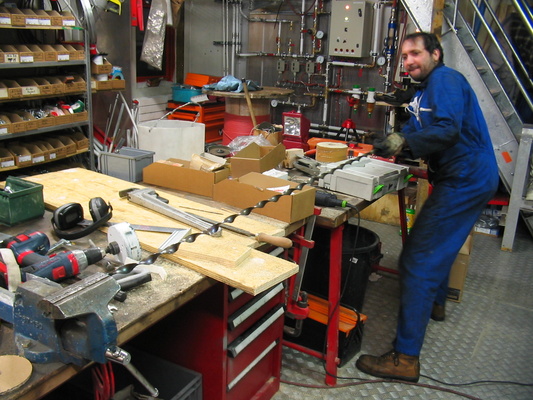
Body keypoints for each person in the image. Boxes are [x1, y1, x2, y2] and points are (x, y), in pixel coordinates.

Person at [356, 32, 500, 382]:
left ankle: (405, 358)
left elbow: (448, 129)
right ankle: (434, 303)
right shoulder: (428, 87)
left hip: (464, 179)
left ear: (436, 53)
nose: (409, 62)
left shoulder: (446, 78)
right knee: (438, 247)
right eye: (404, 57)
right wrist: (410, 107)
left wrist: (403, 140)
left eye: (416, 54)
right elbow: (433, 123)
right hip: (467, 177)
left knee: (416, 258)